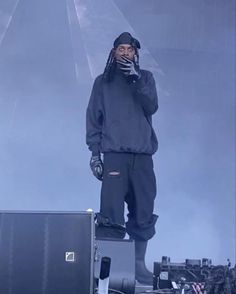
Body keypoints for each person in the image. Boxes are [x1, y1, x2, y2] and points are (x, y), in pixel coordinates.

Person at [86, 32, 158, 285]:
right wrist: (95, 155)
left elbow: (152, 106)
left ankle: (138, 267)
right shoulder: (102, 83)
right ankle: (110, 271)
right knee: (110, 213)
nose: (126, 52)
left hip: (142, 155)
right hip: (115, 155)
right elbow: (94, 120)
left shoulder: (146, 78)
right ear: (113, 52)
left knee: (143, 211)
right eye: (121, 49)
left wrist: (136, 79)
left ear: (136, 54)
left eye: (130, 49)